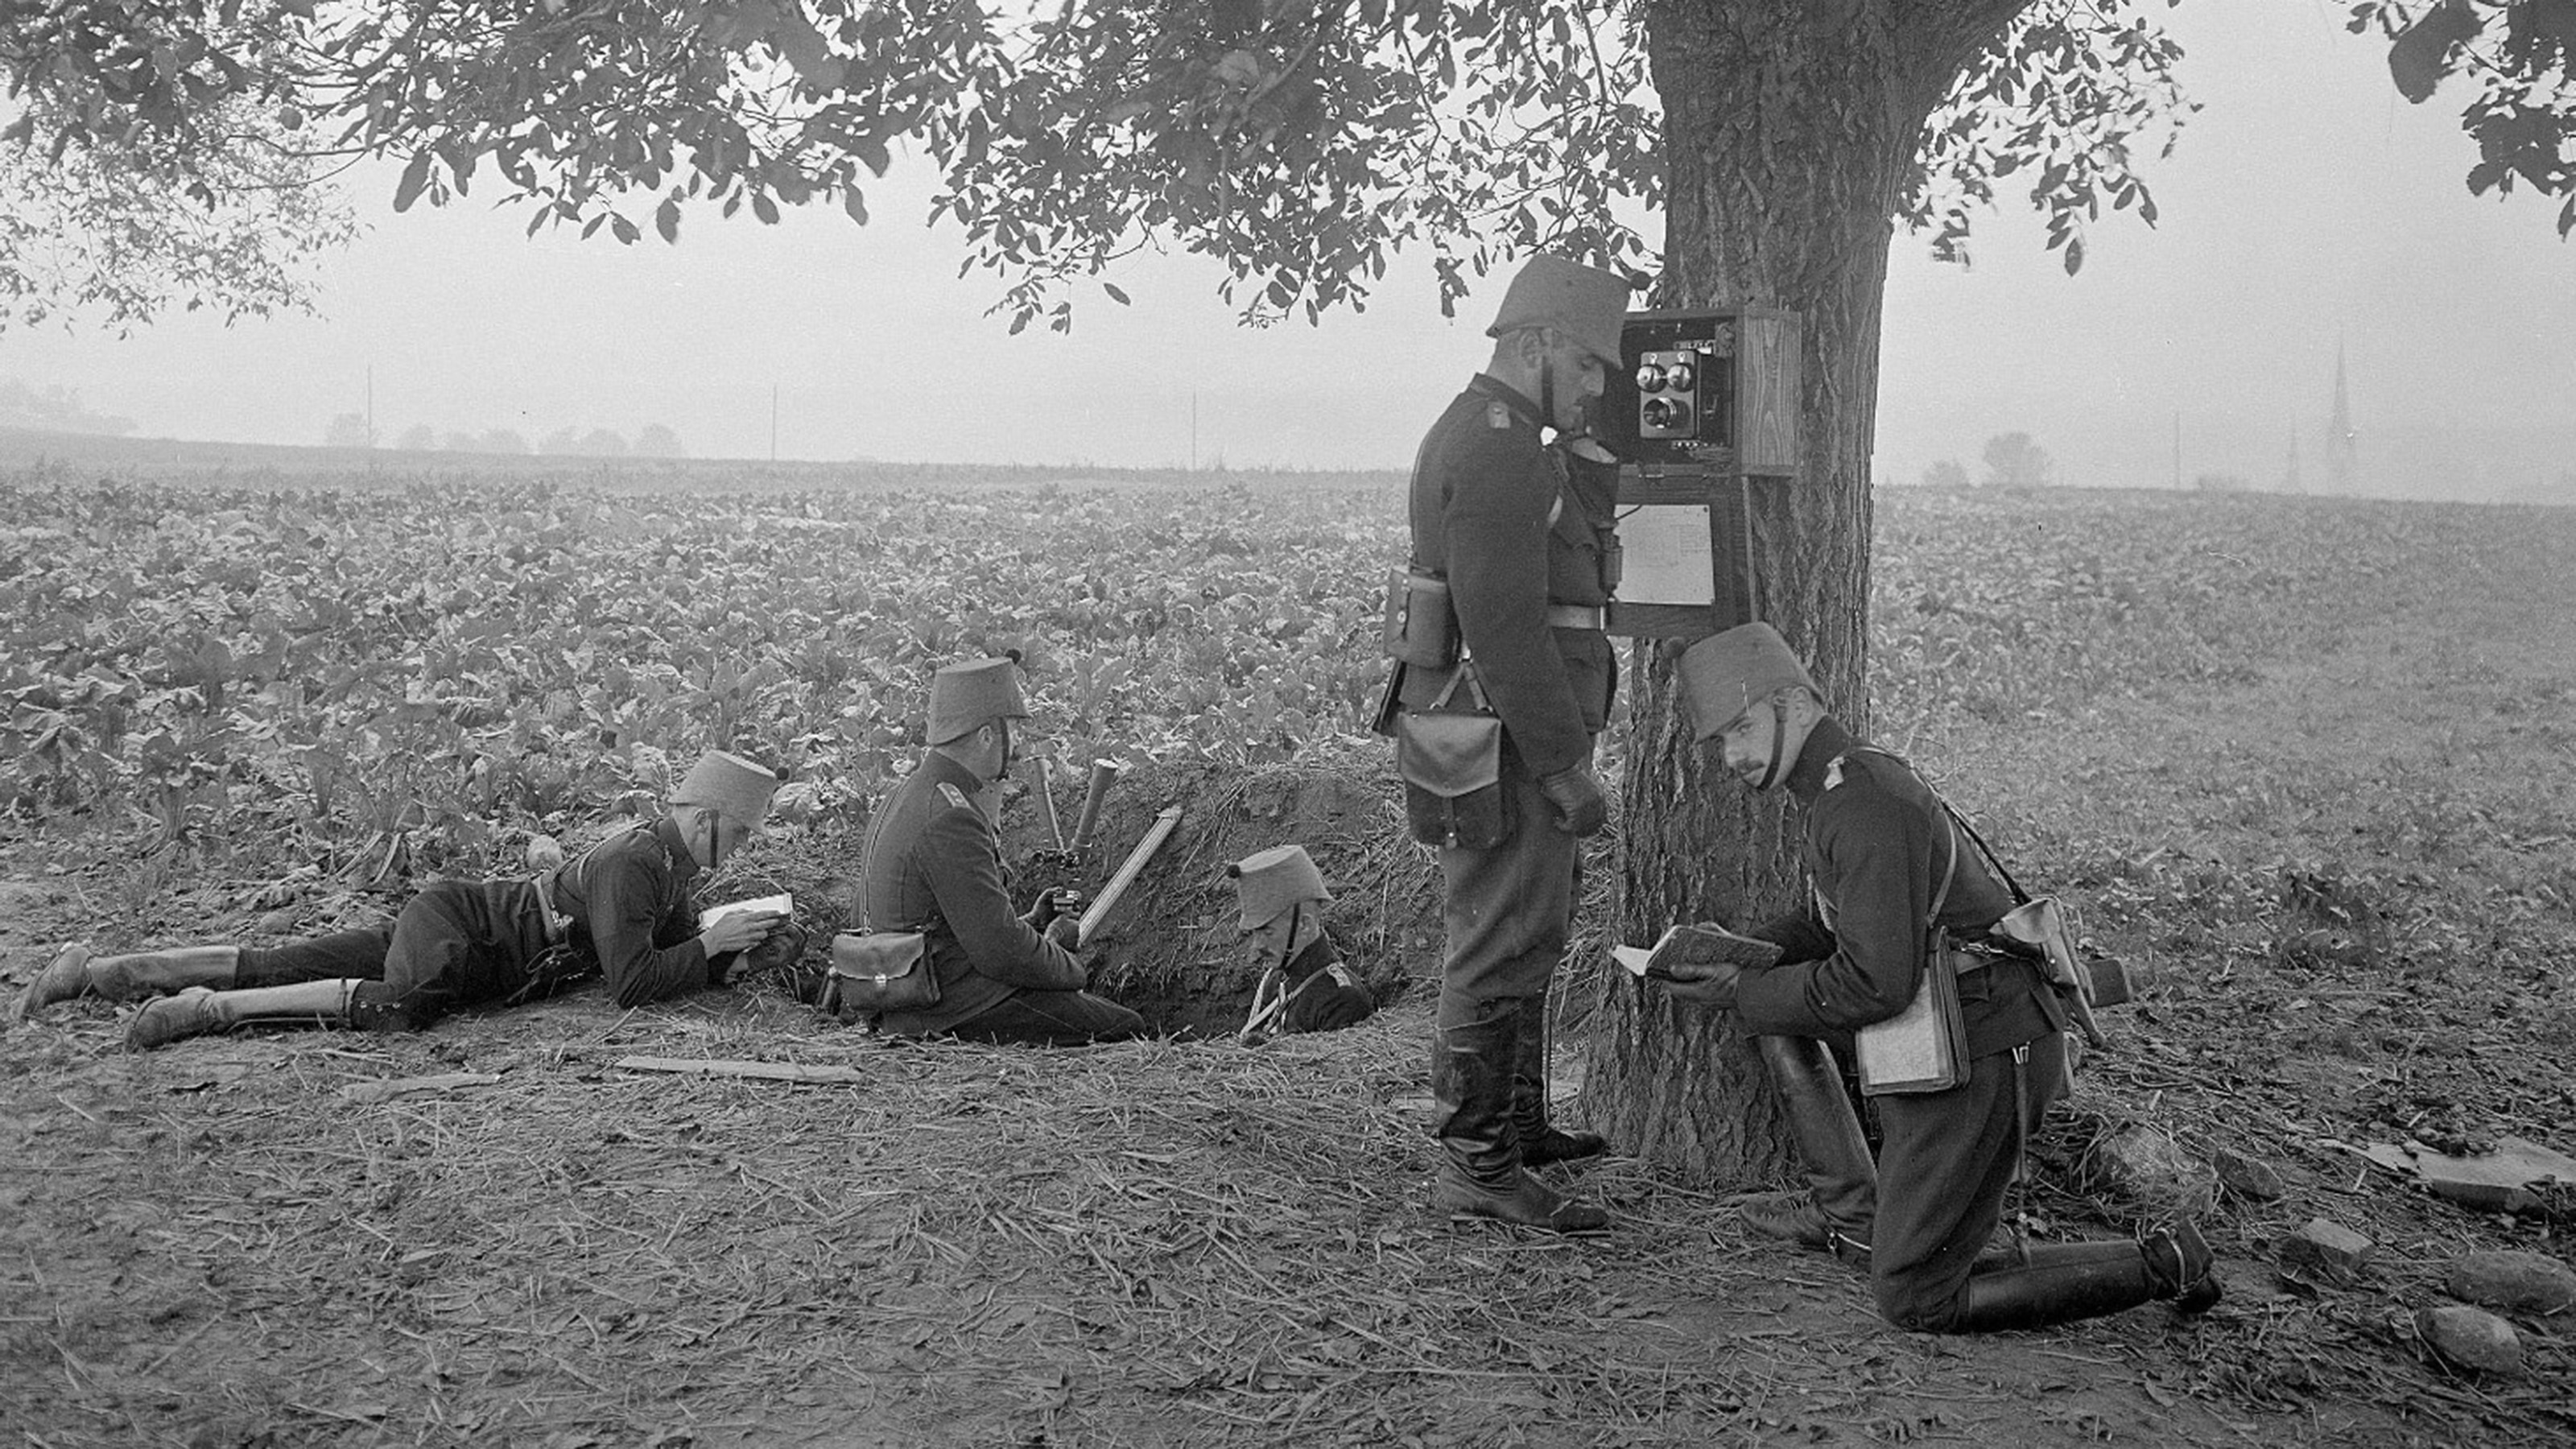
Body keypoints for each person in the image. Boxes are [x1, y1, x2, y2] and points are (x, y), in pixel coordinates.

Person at [1657, 622, 2219, 1332]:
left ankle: (2169, 1260)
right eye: (1723, 741)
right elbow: (1847, 931)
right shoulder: (1842, 784)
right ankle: (1861, 1219)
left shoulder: (1862, 804)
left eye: (1742, 728)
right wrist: (1745, 950)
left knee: (1916, 1298)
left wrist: (1741, 993)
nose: (1733, 756)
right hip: (1958, 1035)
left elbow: (1874, 985)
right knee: (1914, 1250)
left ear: (1797, 705)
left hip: (1985, 1056)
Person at [1393, 254, 1629, 1232]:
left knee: (1525, 931)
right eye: (1583, 368)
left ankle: (1517, 1129)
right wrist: (1563, 762)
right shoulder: (1495, 447)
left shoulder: (1510, 439)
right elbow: (1502, 624)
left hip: (1491, 732)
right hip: (1501, 738)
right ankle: (1478, 1166)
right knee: (1496, 941)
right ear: (1534, 346)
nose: (1590, 390)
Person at [19, 750, 789, 1049]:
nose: (743, 851)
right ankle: (200, 1012)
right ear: (705, 817)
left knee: (287, 959)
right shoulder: (635, 862)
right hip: (462, 932)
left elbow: (666, 951)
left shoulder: (668, 865)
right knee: (402, 1006)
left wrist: (733, 949)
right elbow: (634, 985)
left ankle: (101, 974)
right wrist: (708, 948)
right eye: (741, 837)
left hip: (464, 926)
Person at [858, 657, 1145, 1046]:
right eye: (1012, 730)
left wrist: (1031, 923)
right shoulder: (951, 816)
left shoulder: (907, 796)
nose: (1018, 748)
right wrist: (1071, 966)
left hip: (909, 998)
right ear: (986, 736)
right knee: (1127, 1028)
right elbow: (999, 952)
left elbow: (953, 929)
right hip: (949, 1011)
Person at [1230, 844, 1375, 1042]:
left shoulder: (1341, 1000)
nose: (1257, 946)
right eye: (1254, 933)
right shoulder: (1276, 980)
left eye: (1268, 932)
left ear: (1304, 924)